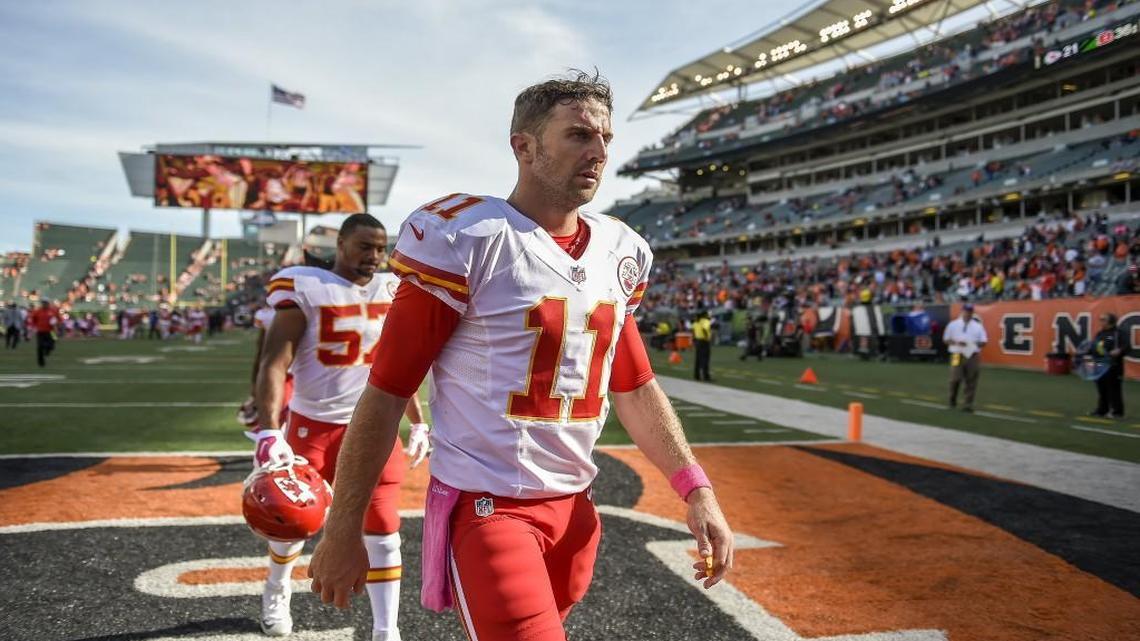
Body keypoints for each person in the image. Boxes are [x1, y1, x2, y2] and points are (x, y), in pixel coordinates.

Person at [307, 70, 734, 641]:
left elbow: (633, 386)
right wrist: (343, 528)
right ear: (525, 147)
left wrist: (696, 488)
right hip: (489, 510)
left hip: (577, 511)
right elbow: (385, 394)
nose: (599, 152)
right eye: (579, 135)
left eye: (606, 138)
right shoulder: (469, 237)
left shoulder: (618, 250)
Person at [252, 214, 431, 639]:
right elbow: (274, 363)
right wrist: (267, 429)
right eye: (365, 246)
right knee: (292, 521)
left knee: (385, 529)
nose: (374, 256)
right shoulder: (305, 287)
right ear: (342, 244)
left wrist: (419, 423)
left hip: (375, 428)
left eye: (380, 247)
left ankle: (386, 630)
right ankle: (276, 590)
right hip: (313, 429)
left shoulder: (393, 288)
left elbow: (397, 370)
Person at [943, 302, 988, 412]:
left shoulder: (978, 326)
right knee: (955, 378)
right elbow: (946, 339)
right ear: (962, 311)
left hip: (972, 355)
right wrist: (956, 342)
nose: (968, 313)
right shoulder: (953, 324)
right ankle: (952, 399)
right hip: (956, 354)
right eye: (966, 311)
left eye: (970, 311)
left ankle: (968, 404)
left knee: (971, 380)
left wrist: (972, 344)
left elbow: (984, 341)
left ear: (972, 313)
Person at [1090, 312, 1128, 419]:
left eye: (1103, 319)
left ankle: (1117, 412)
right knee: (1101, 388)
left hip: (1114, 366)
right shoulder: (1100, 333)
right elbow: (1096, 346)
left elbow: (1126, 346)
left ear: (1111, 321)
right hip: (1100, 365)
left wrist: (1119, 350)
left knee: (1114, 389)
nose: (1101, 321)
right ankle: (1102, 410)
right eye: (1100, 319)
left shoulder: (1118, 333)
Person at [28, 300, 59, 367]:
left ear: (48, 303)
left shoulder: (53, 311)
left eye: (46, 303)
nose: (44, 304)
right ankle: (41, 362)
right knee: (40, 346)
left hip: (51, 331)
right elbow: (33, 319)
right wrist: (34, 326)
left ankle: (47, 350)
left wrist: (56, 323)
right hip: (40, 331)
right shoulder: (38, 311)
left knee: (52, 343)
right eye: (43, 303)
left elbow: (59, 319)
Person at [693, 308, 713, 381]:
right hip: (704, 341)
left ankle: (696, 375)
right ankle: (706, 376)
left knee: (698, 359)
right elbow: (704, 329)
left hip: (698, 341)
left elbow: (693, 330)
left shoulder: (696, 322)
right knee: (705, 359)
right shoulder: (706, 321)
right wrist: (706, 337)